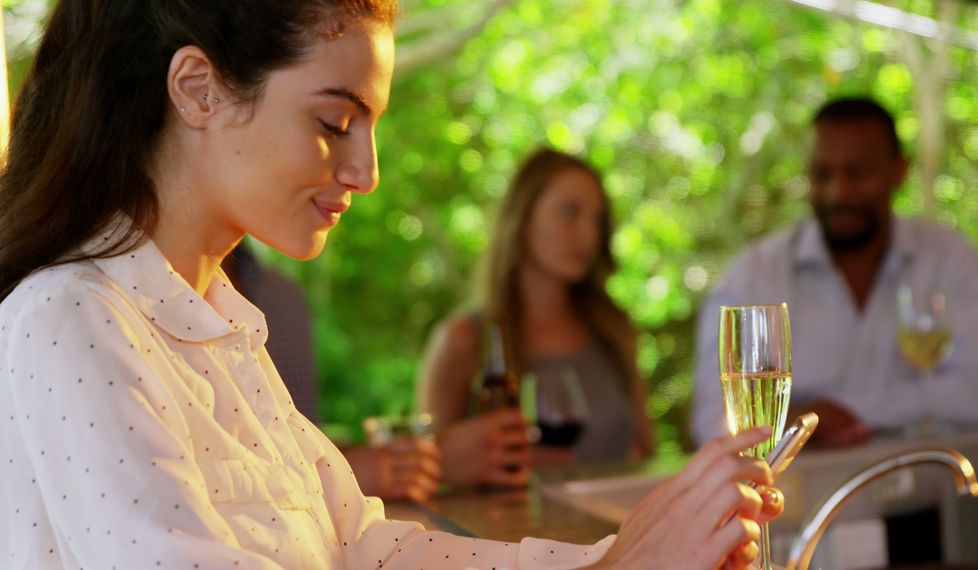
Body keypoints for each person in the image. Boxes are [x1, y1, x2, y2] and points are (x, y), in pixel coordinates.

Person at [0, 1, 782, 568]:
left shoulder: (219, 327)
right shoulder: (72, 316)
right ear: (198, 89)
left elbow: (366, 545)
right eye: (336, 123)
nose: (365, 172)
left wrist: (612, 556)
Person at [693, 97, 978, 449]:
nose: (839, 191)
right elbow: (714, 425)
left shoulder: (947, 257)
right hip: (796, 501)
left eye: (858, 173)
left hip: (927, 494)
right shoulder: (752, 277)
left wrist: (835, 413)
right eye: (823, 174)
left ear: (899, 172)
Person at [418, 148, 656, 485]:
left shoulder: (614, 329)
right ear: (523, 217)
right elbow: (427, 473)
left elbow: (647, 456)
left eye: (597, 219)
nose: (589, 235)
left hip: (615, 532)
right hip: (509, 536)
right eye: (569, 213)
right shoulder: (464, 339)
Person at [224, 244, 441, 503]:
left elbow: (295, 441)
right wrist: (346, 476)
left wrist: (373, 465)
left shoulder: (283, 296)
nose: (358, 199)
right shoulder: (163, 308)